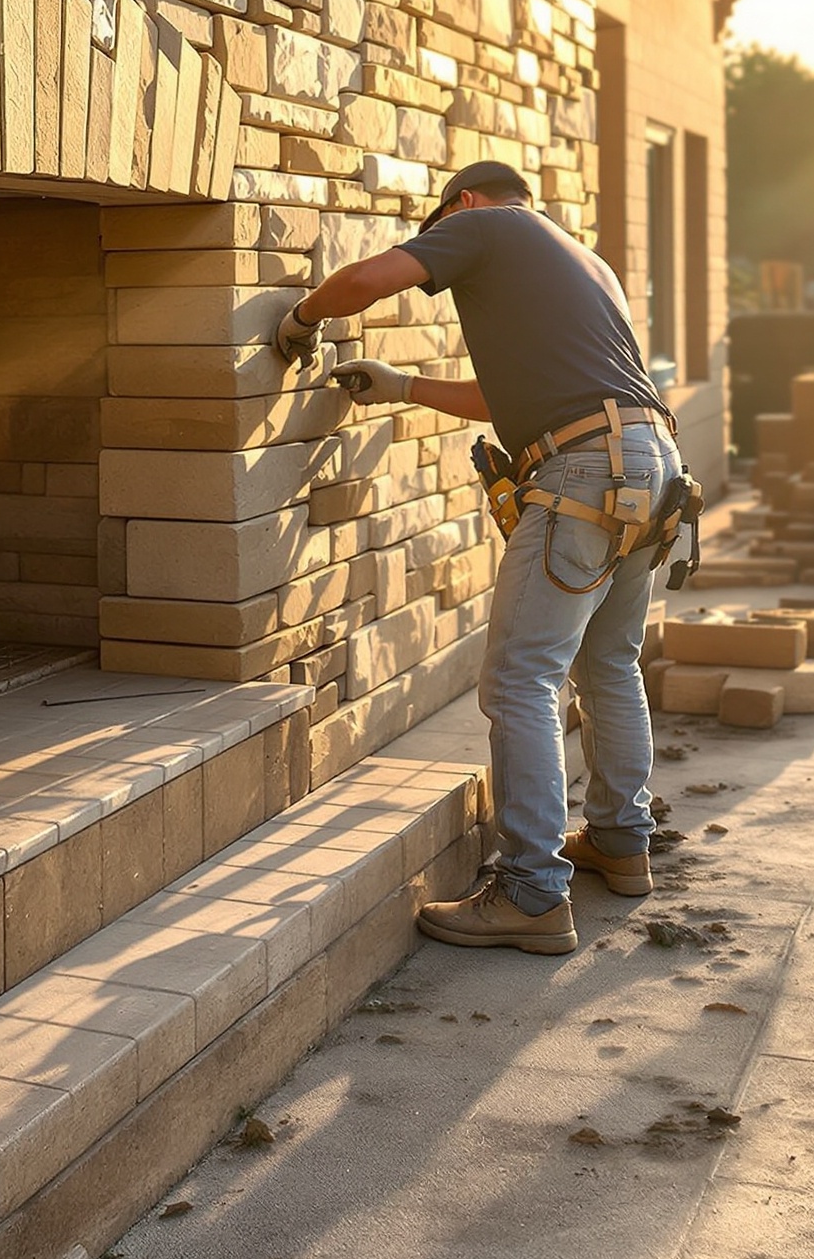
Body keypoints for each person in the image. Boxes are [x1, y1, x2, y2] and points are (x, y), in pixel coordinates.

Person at [274, 159, 687, 955]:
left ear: (461, 205)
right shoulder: (586, 263)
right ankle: (619, 842)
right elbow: (520, 401)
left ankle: (532, 892)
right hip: (652, 460)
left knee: (520, 676)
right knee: (610, 662)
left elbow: (362, 280)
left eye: (442, 230)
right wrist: (403, 385)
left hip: (589, 465)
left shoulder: (487, 225)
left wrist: (299, 321)